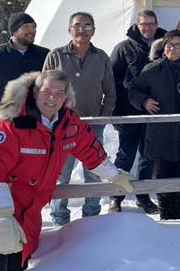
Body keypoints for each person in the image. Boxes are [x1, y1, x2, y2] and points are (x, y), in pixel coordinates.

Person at [0, 70, 134, 271]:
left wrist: (115, 176)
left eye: (60, 93)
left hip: (27, 208)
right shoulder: (11, 123)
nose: (53, 98)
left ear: (66, 97)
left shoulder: (69, 123)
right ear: (35, 92)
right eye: (47, 91)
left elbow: (89, 150)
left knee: (16, 257)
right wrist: (1, 215)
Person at [128, 30, 180, 219]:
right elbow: (134, 90)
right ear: (163, 48)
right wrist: (144, 101)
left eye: (177, 45)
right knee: (163, 173)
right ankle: (166, 213)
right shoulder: (152, 69)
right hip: (160, 132)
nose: (172, 49)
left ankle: (178, 212)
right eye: (169, 45)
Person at [44, 12, 116, 226]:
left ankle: (91, 218)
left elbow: (110, 92)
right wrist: (51, 117)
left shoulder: (101, 57)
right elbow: (43, 90)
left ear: (93, 31)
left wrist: (102, 119)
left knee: (93, 172)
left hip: (92, 126)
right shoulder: (56, 56)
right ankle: (60, 220)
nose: (82, 30)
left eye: (87, 26)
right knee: (60, 174)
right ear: (69, 29)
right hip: (61, 125)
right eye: (77, 25)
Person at [109, 10, 165, 214]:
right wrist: (114, 111)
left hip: (155, 111)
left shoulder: (164, 46)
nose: (147, 27)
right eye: (143, 24)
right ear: (137, 24)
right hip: (128, 111)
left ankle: (143, 196)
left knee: (148, 157)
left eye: (151, 23)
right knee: (126, 155)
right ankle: (116, 197)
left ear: (157, 24)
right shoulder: (124, 48)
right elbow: (111, 80)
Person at [0, 12, 49, 138]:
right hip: (4, 126)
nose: (32, 30)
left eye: (34, 27)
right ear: (14, 30)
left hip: (37, 126)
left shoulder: (44, 55)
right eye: (26, 26)